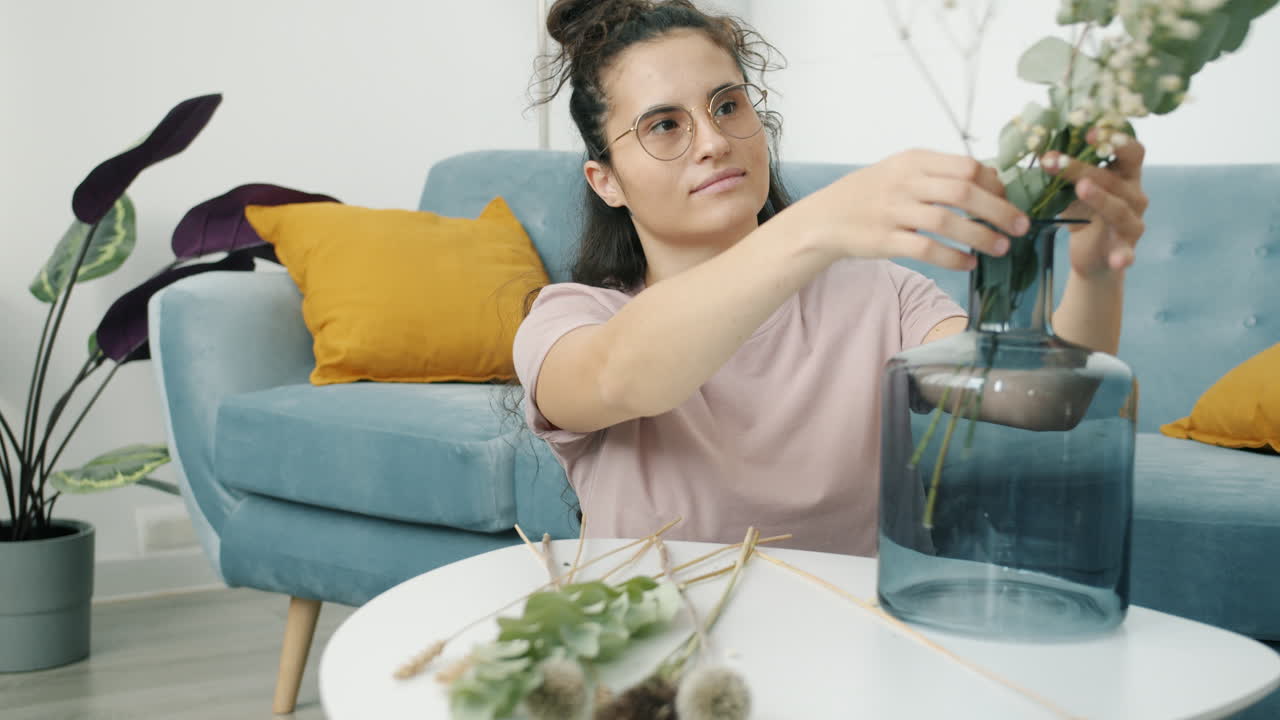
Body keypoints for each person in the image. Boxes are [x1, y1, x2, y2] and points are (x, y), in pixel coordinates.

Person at [513, 0, 1149, 555]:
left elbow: (1051, 401)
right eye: (664, 125)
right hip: (662, 651)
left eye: (728, 105)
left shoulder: (880, 295)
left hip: (854, 653)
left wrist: (1095, 273)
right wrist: (817, 225)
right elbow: (624, 378)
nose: (713, 141)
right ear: (608, 181)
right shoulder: (570, 319)